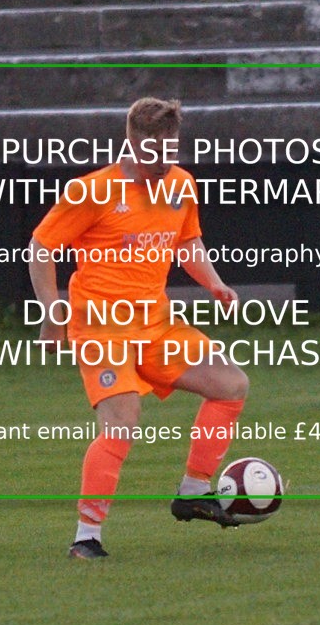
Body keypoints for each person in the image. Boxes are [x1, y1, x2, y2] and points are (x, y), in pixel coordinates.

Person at [29, 97, 248, 559]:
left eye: (171, 149)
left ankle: (193, 492)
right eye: (154, 151)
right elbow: (41, 246)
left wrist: (214, 282)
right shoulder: (94, 191)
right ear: (132, 142)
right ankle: (87, 536)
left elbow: (186, 239)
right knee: (122, 423)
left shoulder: (180, 185)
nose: (164, 160)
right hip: (100, 327)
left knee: (230, 384)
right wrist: (53, 310)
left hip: (155, 323)